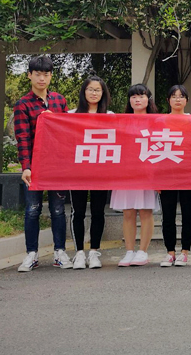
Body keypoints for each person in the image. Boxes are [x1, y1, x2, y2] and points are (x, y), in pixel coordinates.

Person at [15, 55, 72, 272]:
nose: (42, 78)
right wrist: (26, 167)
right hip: (35, 166)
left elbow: (67, 131)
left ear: (51, 76)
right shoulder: (23, 104)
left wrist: (53, 119)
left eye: (46, 74)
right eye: (37, 74)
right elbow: (22, 138)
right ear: (29, 75)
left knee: (58, 209)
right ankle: (32, 254)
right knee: (32, 209)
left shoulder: (59, 100)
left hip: (56, 165)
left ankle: (60, 252)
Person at [112, 84, 161, 267]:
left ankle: (143, 251)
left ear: (148, 99)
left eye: (141, 96)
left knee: (145, 211)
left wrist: (159, 176)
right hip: (126, 173)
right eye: (133, 97)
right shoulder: (121, 121)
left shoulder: (156, 121)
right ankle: (129, 251)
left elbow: (160, 147)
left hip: (148, 172)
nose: (137, 100)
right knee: (128, 212)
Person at [68, 75, 112, 269]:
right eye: (90, 89)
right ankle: (79, 253)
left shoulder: (109, 116)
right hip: (77, 171)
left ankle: (94, 252)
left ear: (103, 93)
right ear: (83, 92)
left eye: (97, 90)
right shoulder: (71, 115)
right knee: (78, 212)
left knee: (98, 212)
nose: (94, 93)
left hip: (101, 171)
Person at [160, 85, 191, 267]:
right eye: (174, 96)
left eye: (181, 96)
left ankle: (184, 251)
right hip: (167, 174)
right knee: (168, 215)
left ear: (186, 100)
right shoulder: (160, 121)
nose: (177, 99)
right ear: (168, 100)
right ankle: (170, 252)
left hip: (188, 174)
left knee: (188, 214)